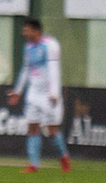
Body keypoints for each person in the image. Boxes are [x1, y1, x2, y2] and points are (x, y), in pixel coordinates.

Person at [8, 20, 68, 173]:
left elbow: (54, 69)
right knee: (32, 127)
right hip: (34, 93)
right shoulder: (27, 47)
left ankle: (64, 158)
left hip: (48, 94)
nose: (24, 33)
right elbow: (26, 69)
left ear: (36, 31)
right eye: (24, 30)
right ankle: (34, 164)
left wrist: (54, 92)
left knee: (52, 130)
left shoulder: (50, 45)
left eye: (27, 30)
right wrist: (18, 91)